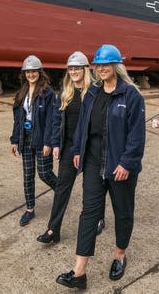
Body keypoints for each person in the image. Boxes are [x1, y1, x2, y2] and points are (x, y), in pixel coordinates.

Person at [56, 44, 145, 290]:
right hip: (94, 161)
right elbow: (83, 125)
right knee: (89, 213)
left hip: (120, 164)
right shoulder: (93, 93)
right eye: (98, 65)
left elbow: (137, 135)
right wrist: (77, 151)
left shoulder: (131, 95)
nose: (102, 69)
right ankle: (79, 272)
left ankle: (119, 254)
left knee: (123, 211)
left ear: (116, 66)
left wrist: (127, 162)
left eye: (106, 65)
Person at [37, 51, 105, 243]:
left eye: (77, 68)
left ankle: (99, 218)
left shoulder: (95, 91)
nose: (74, 71)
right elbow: (56, 120)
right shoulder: (65, 92)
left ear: (85, 69)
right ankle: (53, 229)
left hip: (91, 146)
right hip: (68, 147)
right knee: (62, 187)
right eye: (71, 68)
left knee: (93, 186)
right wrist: (55, 143)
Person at [10, 55, 57, 226]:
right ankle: (30, 209)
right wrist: (14, 140)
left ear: (39, 72)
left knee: (44, 173)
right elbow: (17, 120)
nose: (31, 74)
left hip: (41, 137)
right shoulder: (21, 92)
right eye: (28, 71)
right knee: (28, 175)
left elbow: (52, 120)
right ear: (24, 73)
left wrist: (48, 142)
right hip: (25, 137)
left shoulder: (47, 92)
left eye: (34, 71)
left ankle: (61, 193)